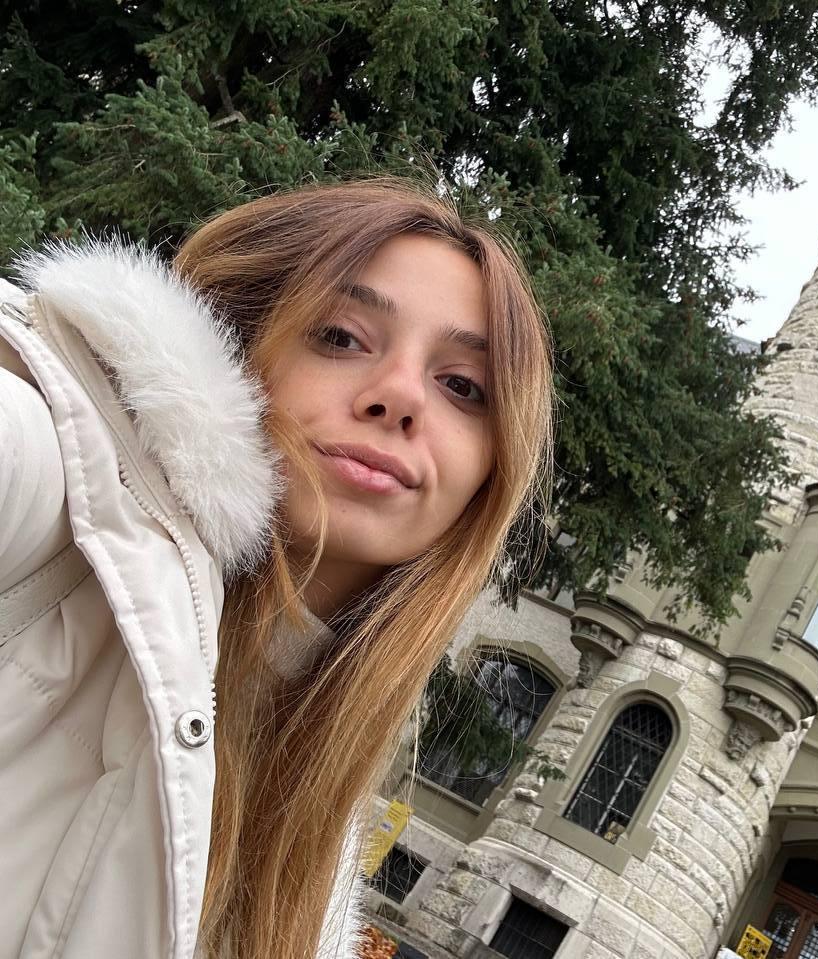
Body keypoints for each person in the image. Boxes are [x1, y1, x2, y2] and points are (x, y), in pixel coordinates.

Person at [0, 179, 554, 959]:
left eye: (463, 387)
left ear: (489, 476)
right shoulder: (61, 488)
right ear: (234, 346)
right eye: (340, 337)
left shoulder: (322, 843)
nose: (400, 397)